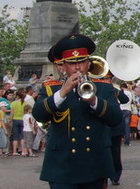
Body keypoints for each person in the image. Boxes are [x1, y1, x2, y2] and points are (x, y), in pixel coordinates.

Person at [32, 32, 122, 188]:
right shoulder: (51, 89)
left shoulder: (104, 88)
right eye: (72, 63)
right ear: (63, 66)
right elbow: (39, 114)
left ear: (88, 63)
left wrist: (94, 100)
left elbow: (116, 118)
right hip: (62, 166)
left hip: (95, 164)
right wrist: (62, 93)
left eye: (82, 61)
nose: (78, 67)